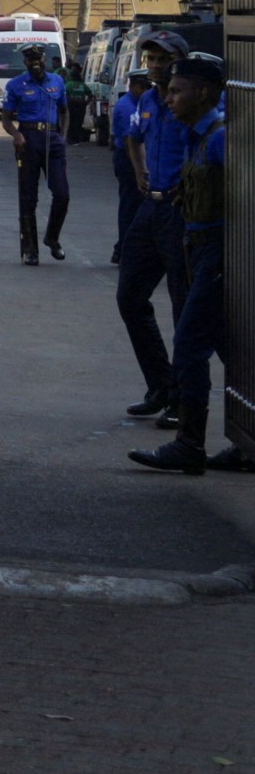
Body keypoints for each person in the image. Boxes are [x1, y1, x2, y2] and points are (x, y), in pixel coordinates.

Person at [129, 55, 253, 473]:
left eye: (178, 91)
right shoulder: (196, 136)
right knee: (230, 348)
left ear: (203, 92)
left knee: (189, 344)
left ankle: (189, 444)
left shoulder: (220, 138)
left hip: (217, 253)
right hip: (198, 250)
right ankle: (247, 444)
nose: (170, 99)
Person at [118, 30, 194, 425]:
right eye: (151, 59)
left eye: (164, 59)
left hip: (182, 213)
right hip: (151, 207)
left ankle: (183, 399)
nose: (156, 66)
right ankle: (160, 385)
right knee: (130, 298)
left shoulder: (193, 103)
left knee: (184, 307)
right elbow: (133, 138)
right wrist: (139, 170)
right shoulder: (146, 100)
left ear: (180, 62)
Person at [0, 42, 69, 264]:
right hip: (28, 140)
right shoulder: (15, 85)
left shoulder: (57, 81)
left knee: (62, 194)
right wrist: (16, 135)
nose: (35, 63)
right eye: (31, 60)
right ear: (25, 62)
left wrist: (63, 136)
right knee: (28, 198)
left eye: (38, 59)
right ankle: (30, 249)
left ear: (44, 59)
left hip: (53, 140)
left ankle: (52, 238)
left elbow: (64, 111)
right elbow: (6, 119)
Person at [109, 69, 152, 264]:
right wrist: (139, 170)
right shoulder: (128, 106)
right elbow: (129, 141)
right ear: (134, 86)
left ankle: (124, 248)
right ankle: (124, 249)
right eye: (143, 87)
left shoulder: (140, 103)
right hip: (128, 159)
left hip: (133, 158)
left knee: (134, 205)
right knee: (130, 205)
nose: (146, 91)